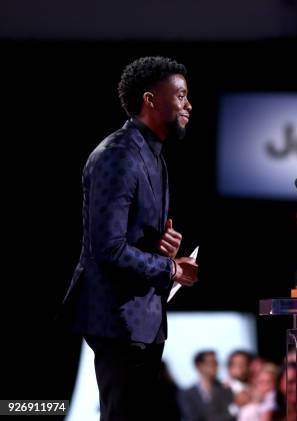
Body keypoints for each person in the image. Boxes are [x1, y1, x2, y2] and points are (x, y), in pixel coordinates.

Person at [60, 56, 198, 420]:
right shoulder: (118, 155)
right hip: (117, 319)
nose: (188, 105)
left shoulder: (154, 155)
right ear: (150, 99)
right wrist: (169, 268)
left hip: (142, 320)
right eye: (181, 95)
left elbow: (131, 239)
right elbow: (107, 249)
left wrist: (162, 244)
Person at [179, 351, 236, 421]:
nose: (216, 367)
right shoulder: (188, 395)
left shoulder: (226, 388)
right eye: (211, 363)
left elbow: (231, 414)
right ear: (199, 366)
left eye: (216, 363)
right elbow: (191, 417)